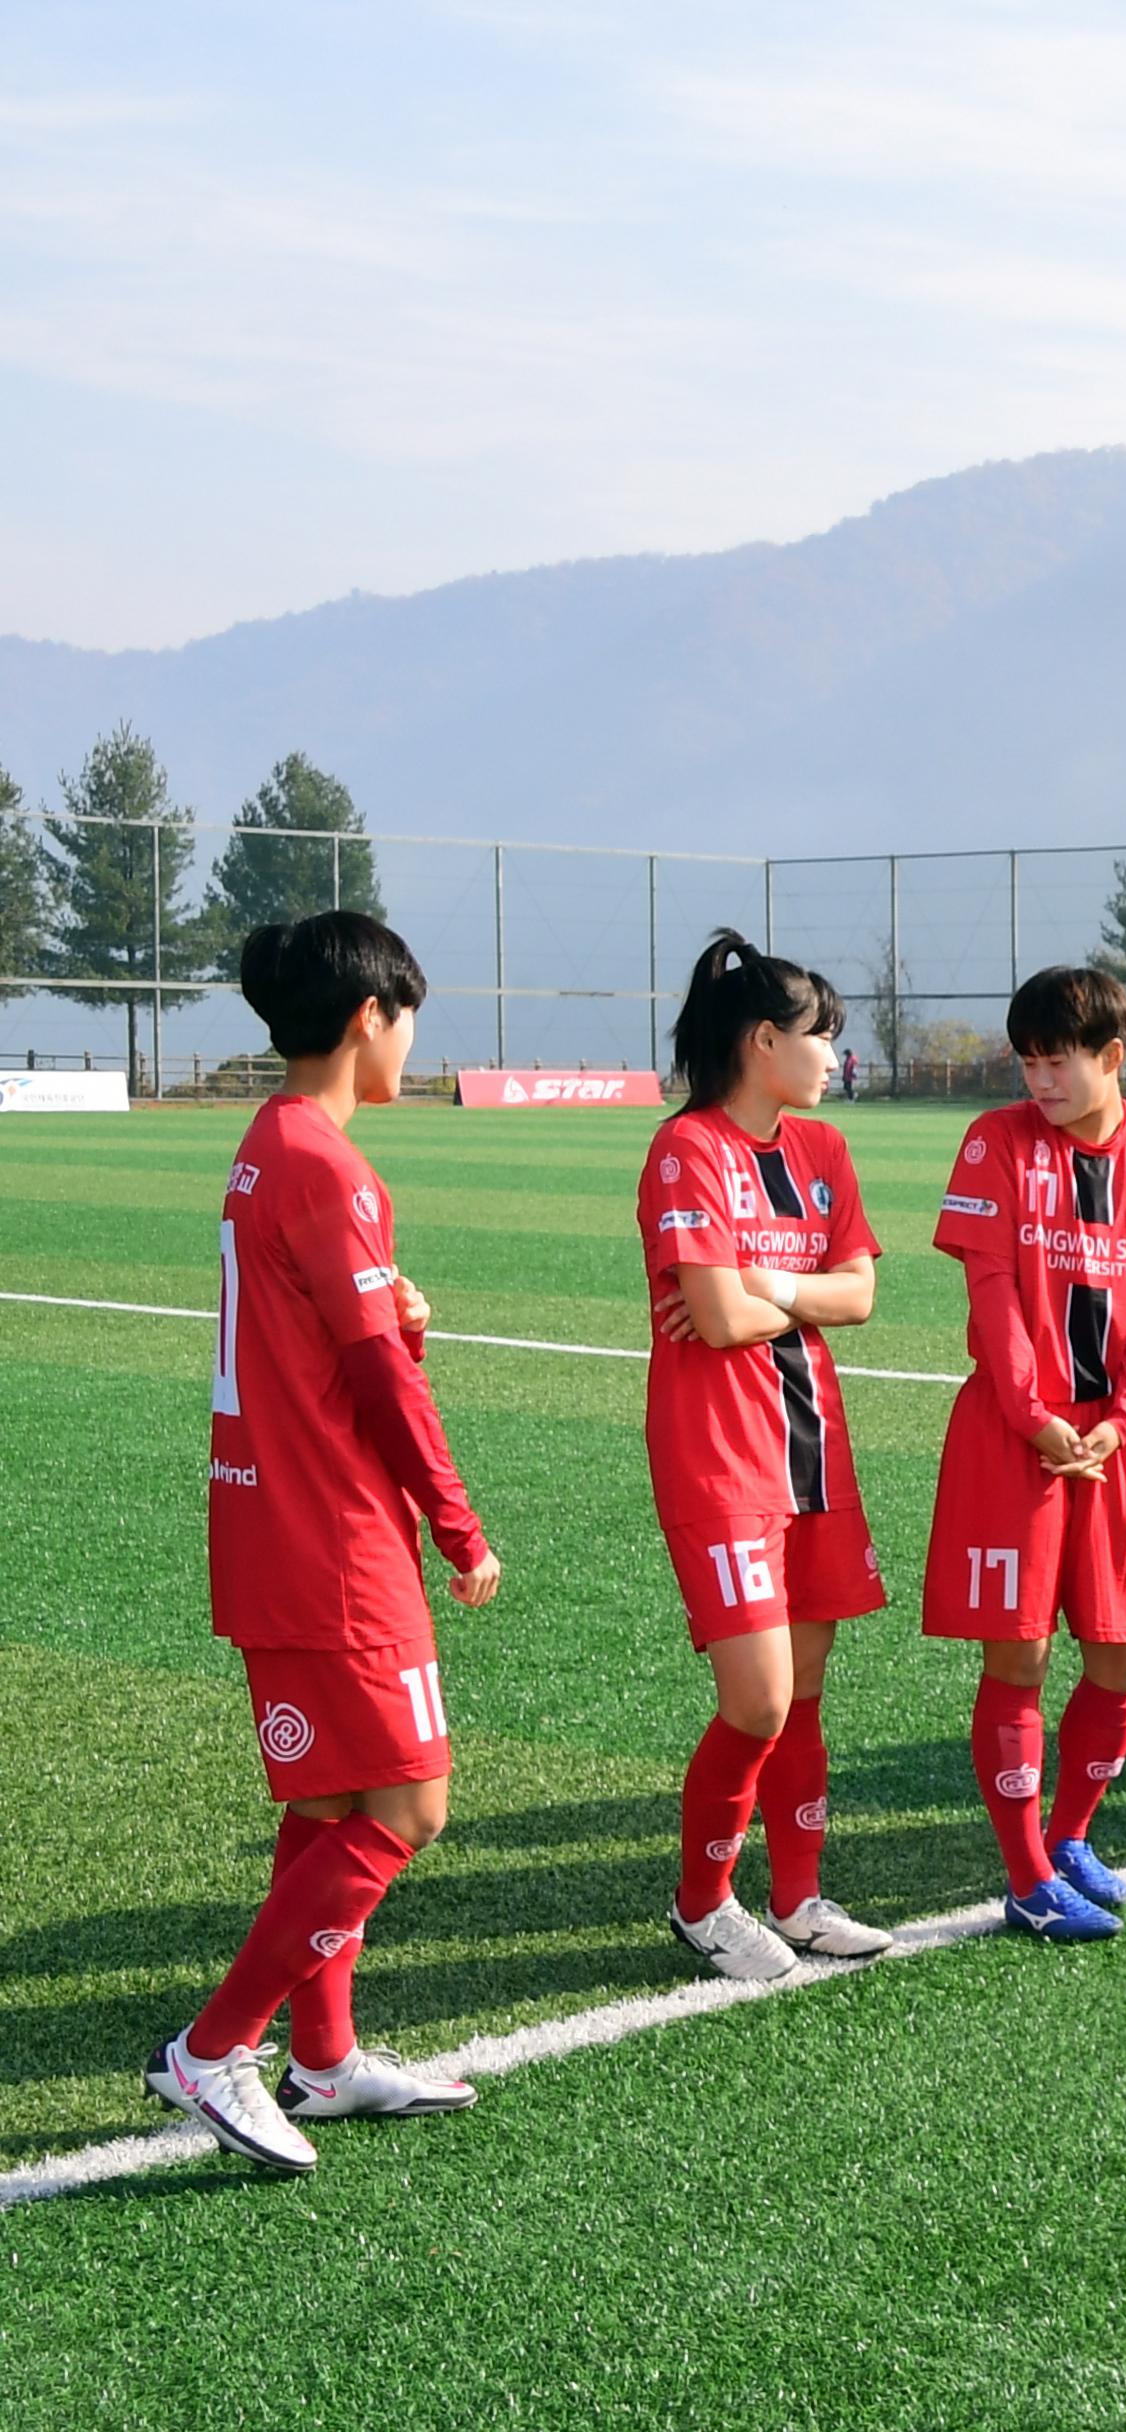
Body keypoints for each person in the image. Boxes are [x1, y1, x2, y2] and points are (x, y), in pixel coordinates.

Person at [155, 912, 501, 2173]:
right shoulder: (330, 1164)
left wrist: (397, 1325)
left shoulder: (270, 1142)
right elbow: (376, 1384)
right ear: (371, 1017)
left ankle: (325, 2055)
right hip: (334, 1532)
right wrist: (458, 1522)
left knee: (332, 1798)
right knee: (410, 1804)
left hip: (274, 1516)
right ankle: (216, 2046)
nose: (413, 1041)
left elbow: (335, 1343)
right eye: (409, 1016)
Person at [928, 964, 1126, 1928]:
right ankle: (1025, 1879)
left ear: (1114, 1058)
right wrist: (1036, 1418)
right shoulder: (994, 1142)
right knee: (1021, 1658)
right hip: (1017, 1437)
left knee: (1121, 1657)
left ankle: (1072, 1835)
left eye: (1058, 1062)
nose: (1038, 1081)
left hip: (1113, 1439)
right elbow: (993, 1294)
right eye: (1028, 1062)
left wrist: (1119, 1419)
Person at [639, 931, 894, 1981]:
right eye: (821, 1034)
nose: (835, 1054)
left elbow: (860, 1295)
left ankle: (796, 1896)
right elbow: (708, 1310)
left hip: (813, 1450)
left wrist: (771, 1288)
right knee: (758, 1698)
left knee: (808, 1689)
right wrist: (769, 1293)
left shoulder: (823, 1154)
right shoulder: (686, 1149)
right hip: (719, 1458)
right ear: (762, 1042)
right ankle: (703, 1904)